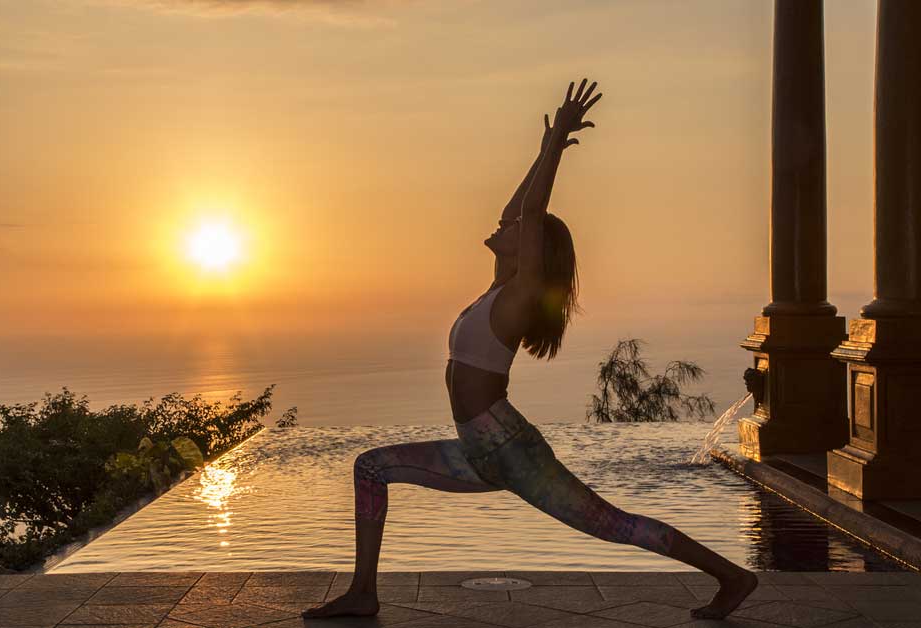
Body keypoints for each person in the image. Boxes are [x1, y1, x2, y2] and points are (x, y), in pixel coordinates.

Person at [302, 79, 758, 621]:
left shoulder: (519, 297)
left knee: (615, 526)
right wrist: (545, 148)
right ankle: (363, 593)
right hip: (478, 450)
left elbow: (534, 210)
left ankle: (732, 577)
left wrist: (557, 145)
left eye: (517, 228)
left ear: (533, 245)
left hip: (511, 450)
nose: (504, 225)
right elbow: (518, 209)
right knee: (371, 467)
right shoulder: (498, 287)